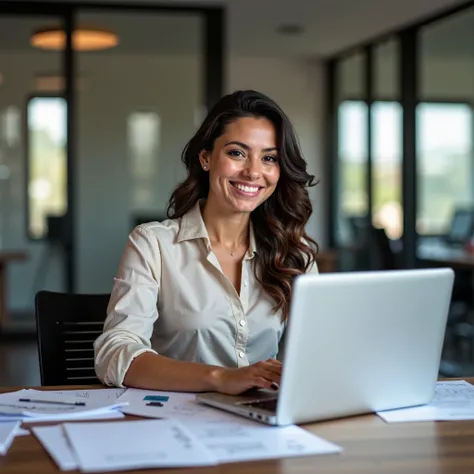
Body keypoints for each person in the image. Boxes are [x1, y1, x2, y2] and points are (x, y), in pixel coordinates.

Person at [94, 90, 319, 395]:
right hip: (176, 422)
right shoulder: (153, 244)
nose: (253, 172)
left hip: (265, 423)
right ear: (206, 158)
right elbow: (115, 353)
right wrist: (221, 378)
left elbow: (318, 355)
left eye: (269, 158)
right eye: (237, 153)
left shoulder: (295, 254)